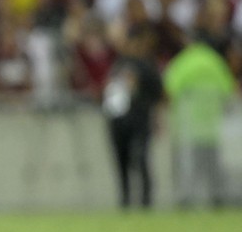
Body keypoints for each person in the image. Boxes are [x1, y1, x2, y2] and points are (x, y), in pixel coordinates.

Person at [163, 38, 238, 207]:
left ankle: (186, 198)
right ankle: (218, 197)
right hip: (213, 127)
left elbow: (170, 88)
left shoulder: (184, 61)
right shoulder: (215, 61)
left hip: (188, 126)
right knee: (214, 167)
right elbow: (228, 90)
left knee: (188, 167)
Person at [101, 24, 164, 208]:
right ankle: (125, 199)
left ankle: (146, 200)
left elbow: (158, 95)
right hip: (118, 119)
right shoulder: (118, 65)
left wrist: (157, 119)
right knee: (121, 160)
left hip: (140, 119)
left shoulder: (148, 67)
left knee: (141, 157)